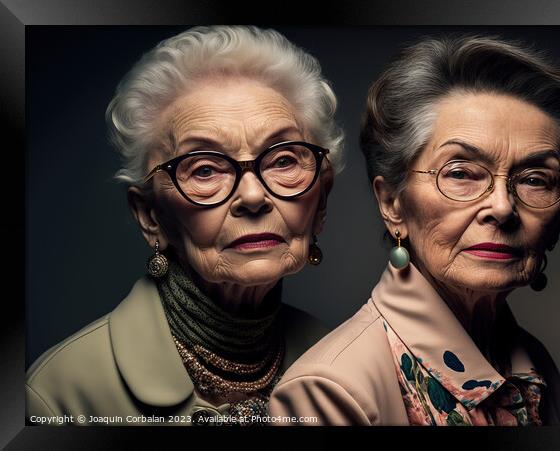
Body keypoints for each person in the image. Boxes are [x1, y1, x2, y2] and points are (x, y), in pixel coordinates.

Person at [269, 34, 560, 426]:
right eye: (461, 173)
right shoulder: (329, 391)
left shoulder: (534, 363)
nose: (502, 207)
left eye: (535, 179)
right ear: (392, 203)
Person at [26, 25, 343, 426]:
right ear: (150, 215)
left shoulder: (341, 362)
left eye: (283, 161)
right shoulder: (58, 396)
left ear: (322, 197)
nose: (252, 196)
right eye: (205, 168)